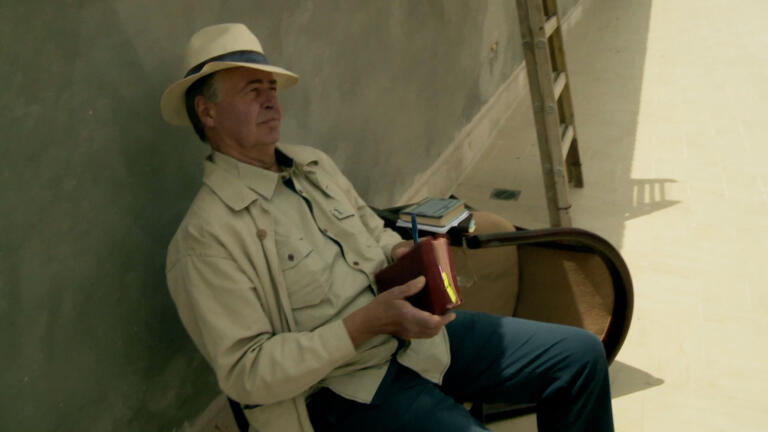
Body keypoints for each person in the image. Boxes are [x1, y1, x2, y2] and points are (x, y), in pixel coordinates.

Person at [162, 23, 614, 432]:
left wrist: (400, 254)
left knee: (578, 357)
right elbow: (249, 374)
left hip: (414, 340)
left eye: (272, 88)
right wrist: (363, 325)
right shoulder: (206, 237)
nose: (270, 101)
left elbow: (372, 231)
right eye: (251, 90)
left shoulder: (313, 164)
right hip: (341, 389)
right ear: (207, 112)